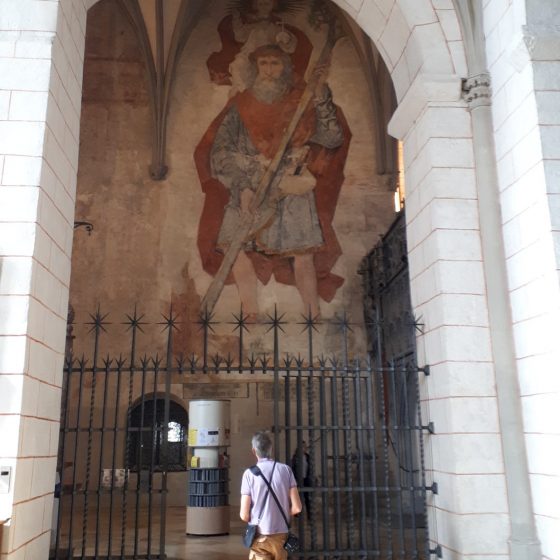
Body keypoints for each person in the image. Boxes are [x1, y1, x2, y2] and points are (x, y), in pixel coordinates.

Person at [195, 40, 351, 318]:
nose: (268, 70)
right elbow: (220, 153)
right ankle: (251, 316)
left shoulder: (301, 101)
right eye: (263, 63)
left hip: (292, 187)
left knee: (303, 256)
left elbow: (332, 138)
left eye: (275, 63)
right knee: (233, 246)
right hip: (249, 188)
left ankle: (312, 319)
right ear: (255, 67)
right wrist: (247, 179)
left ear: (285, 67)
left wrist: (322, 98)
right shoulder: (240, 106)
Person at [240, 431, 302, 560]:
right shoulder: (286, 470)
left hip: (260, 536)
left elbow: (244, 515)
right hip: (281, 536)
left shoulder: (249, 474)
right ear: (271, 449)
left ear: (253, 451)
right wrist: (282, 514)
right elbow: (297, 508)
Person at [290, 440, 312, 519]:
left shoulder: (307, 456)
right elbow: (292, 468)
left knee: (307, 497)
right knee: (297, 497)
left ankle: (309, 515)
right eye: (302, 447)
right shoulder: (295, 457)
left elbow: (310, 468)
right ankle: (297, 514)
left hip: (306, 479)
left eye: (304, 446)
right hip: (298, 479)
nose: (304, 448)